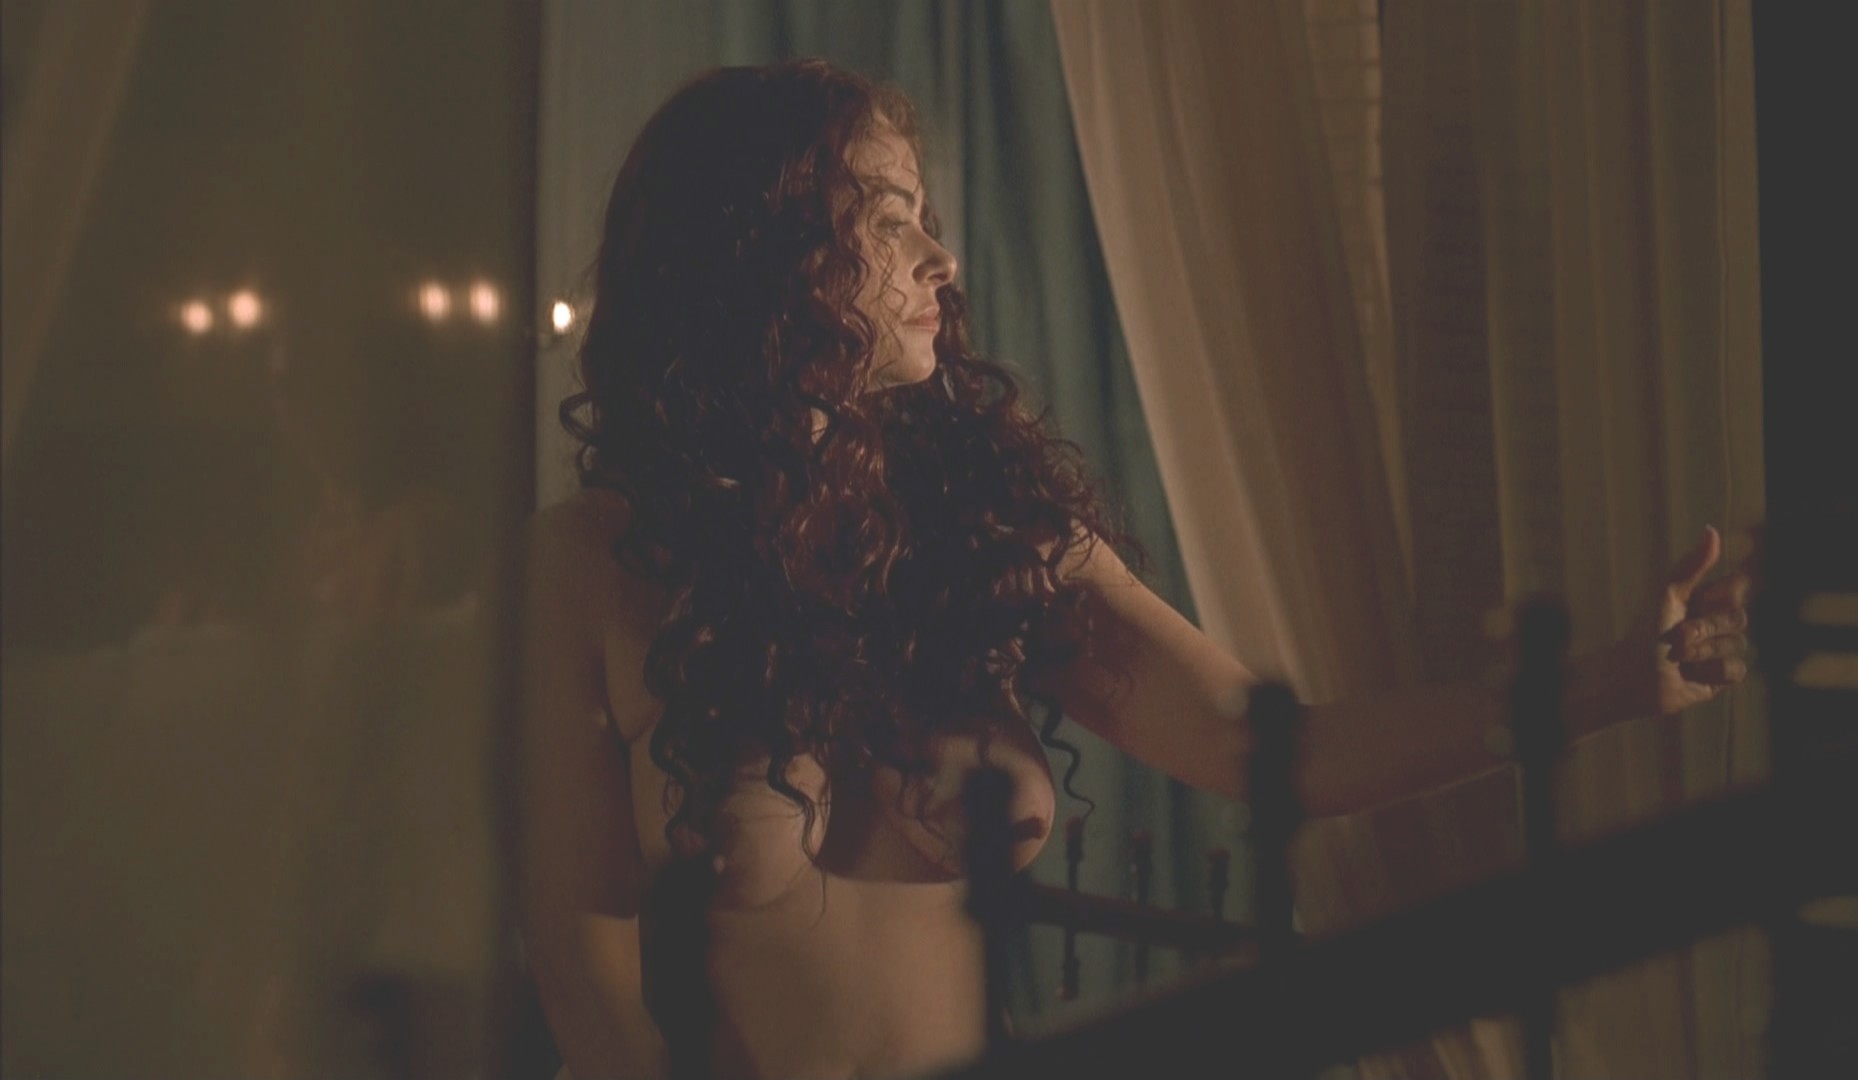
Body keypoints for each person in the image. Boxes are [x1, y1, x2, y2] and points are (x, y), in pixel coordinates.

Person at [519, 59, 1750, 1080]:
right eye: (888, 220)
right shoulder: (597, 563)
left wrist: (1607, 687)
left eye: (927, 218)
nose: (941, 262)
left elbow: (1275, 751)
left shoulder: (982, 526)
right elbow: (584, 973)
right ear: (764, 247)